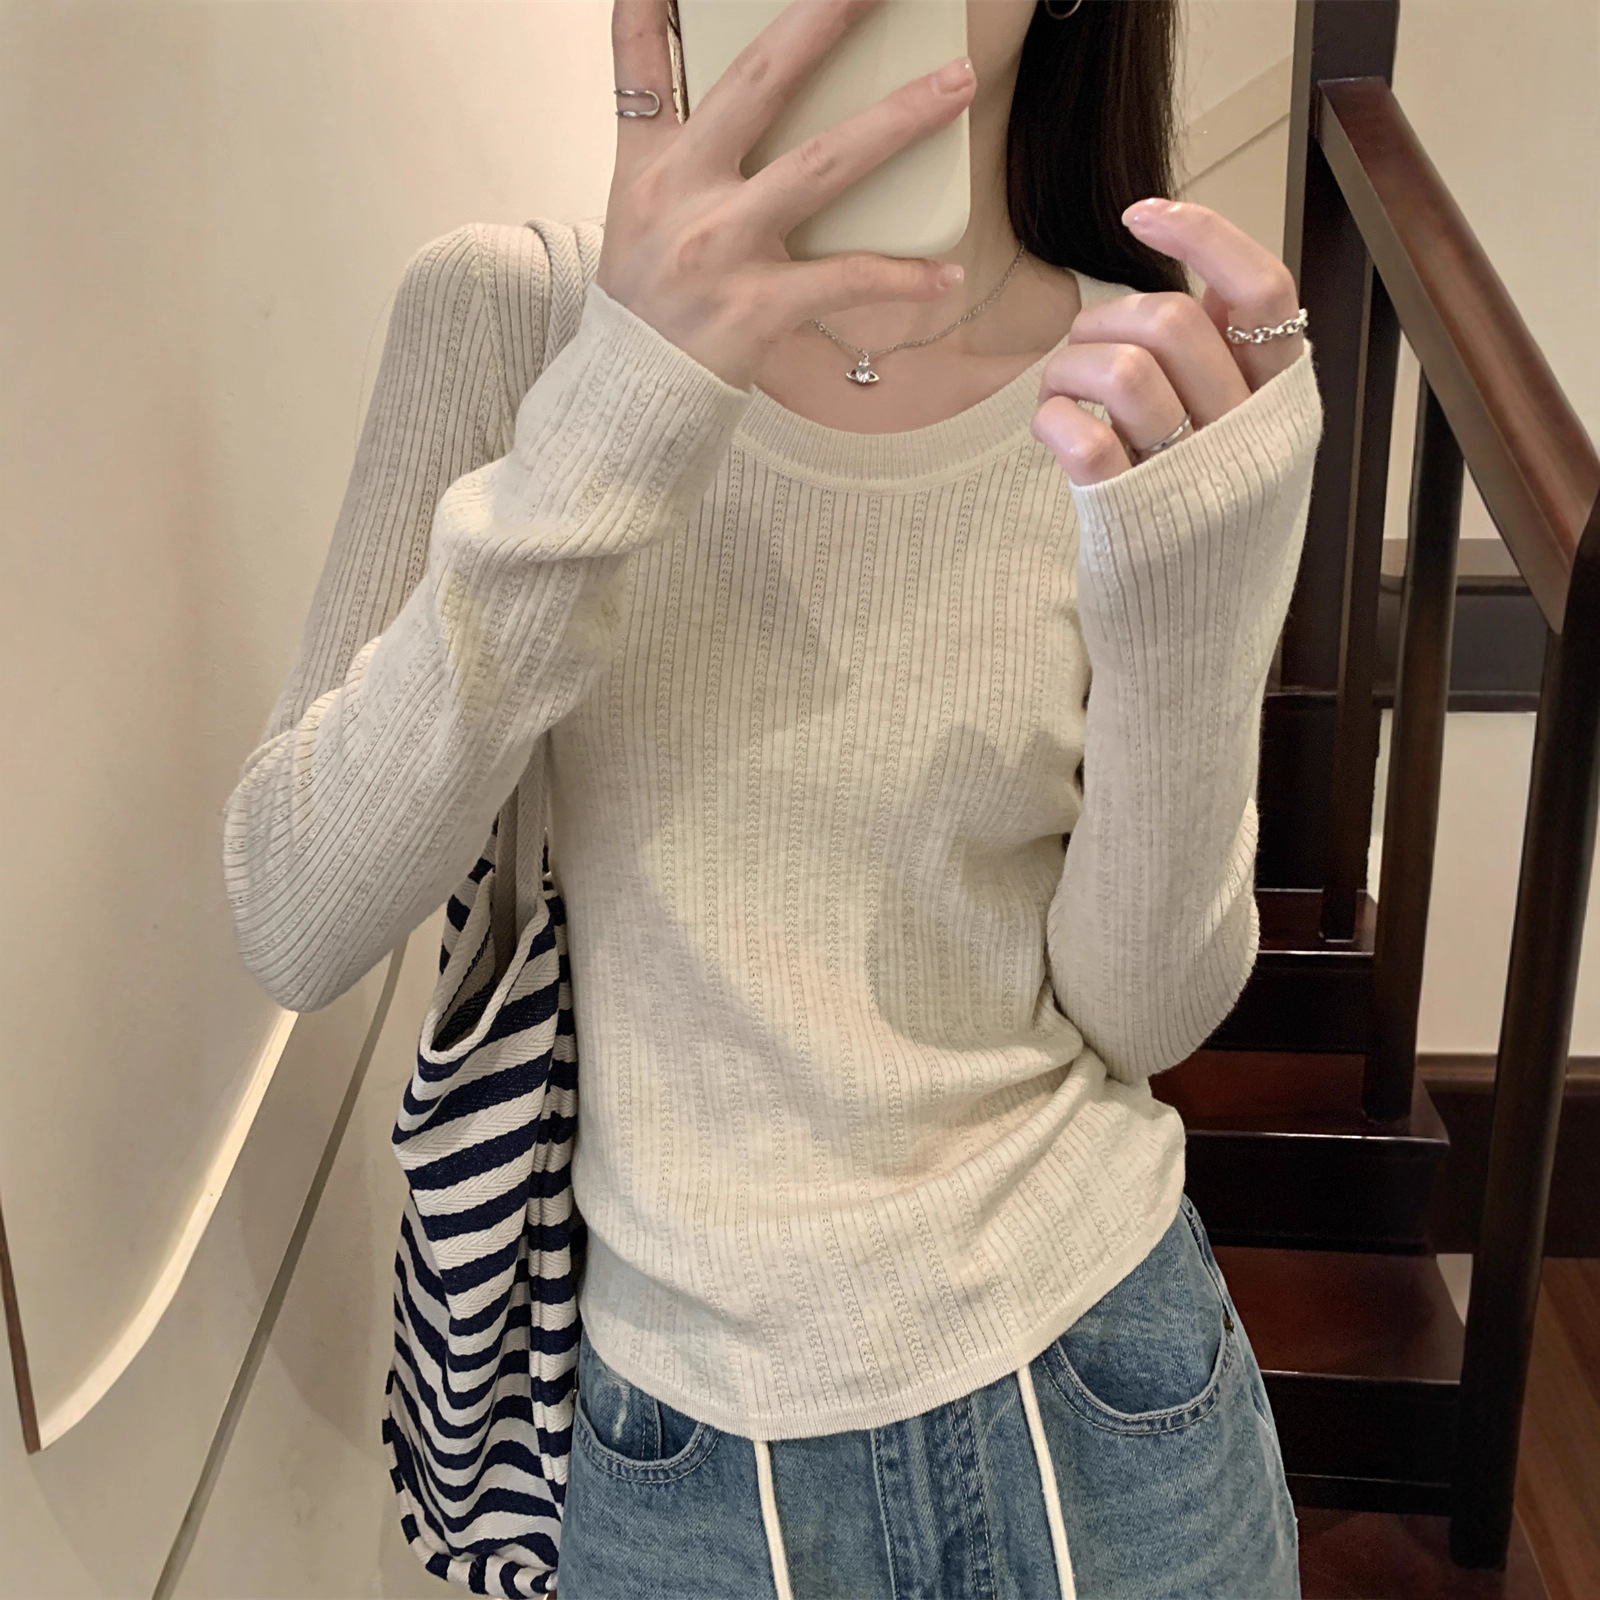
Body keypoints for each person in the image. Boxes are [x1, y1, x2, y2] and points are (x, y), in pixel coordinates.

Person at [223, 0, 1321, 1593]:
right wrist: (625, 398)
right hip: (682, 1466)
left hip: (1112, 1401)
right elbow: (294, 914)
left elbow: (1145, 1010)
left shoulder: (1142, 385)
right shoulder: (517, 318)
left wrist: (1188, 604)